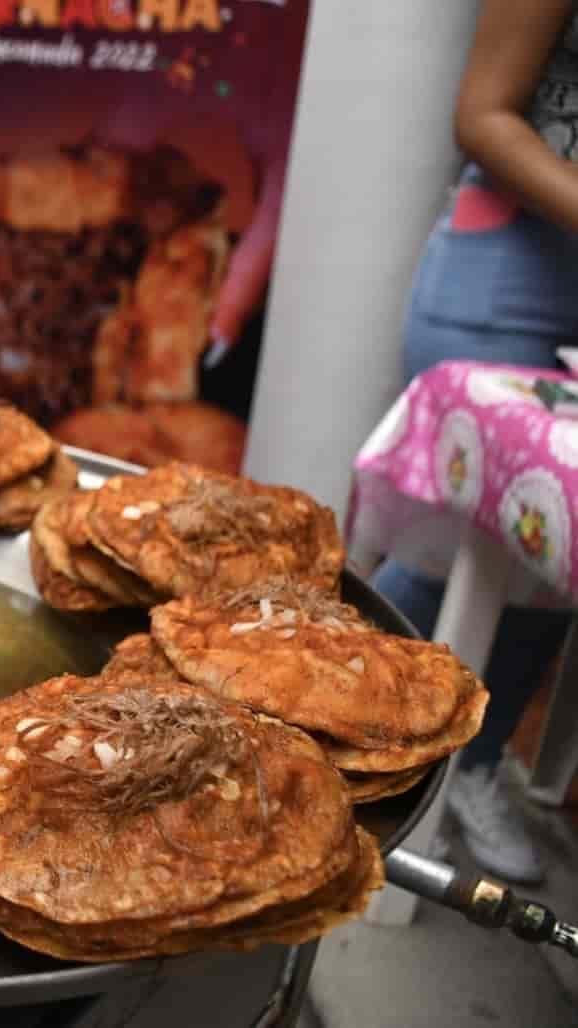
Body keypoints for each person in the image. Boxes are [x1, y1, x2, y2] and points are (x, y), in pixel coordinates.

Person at [371, 0, 578, 885]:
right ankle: (310, 752)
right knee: (442, 551)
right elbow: (485, 110)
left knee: (550, 559)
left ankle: (475, 766)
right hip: (514, 271)